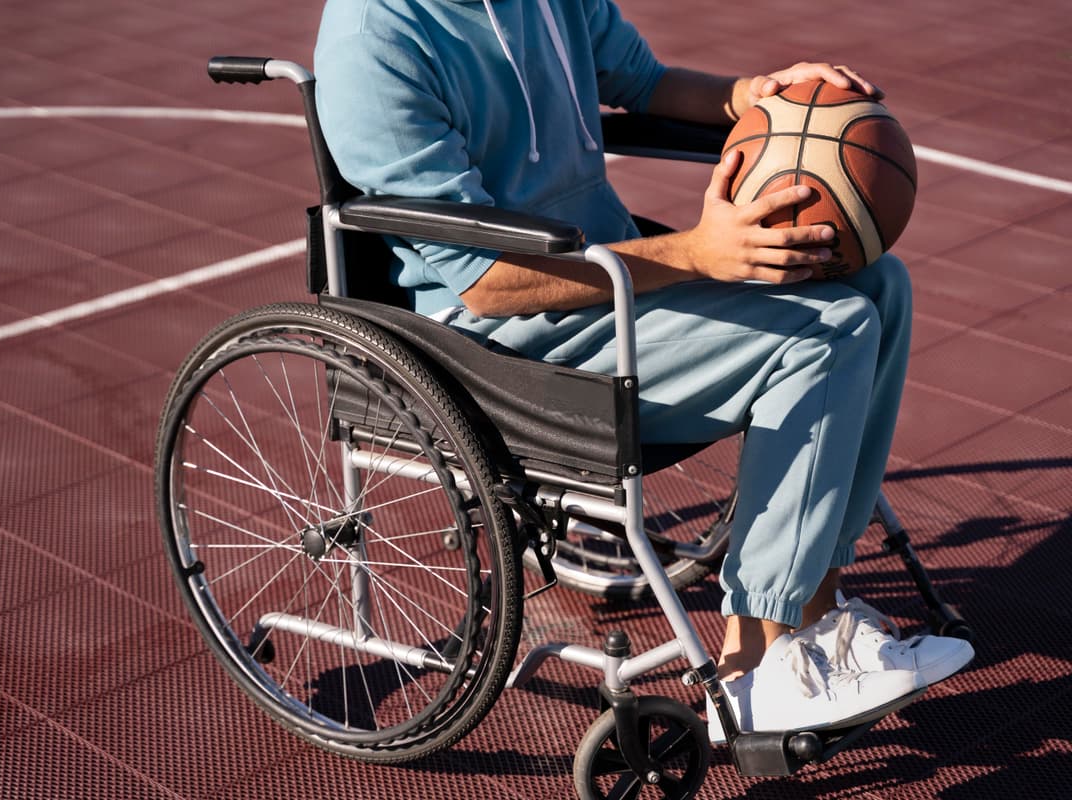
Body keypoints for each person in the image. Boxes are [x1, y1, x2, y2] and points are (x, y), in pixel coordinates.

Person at [313, 0, 973, 740]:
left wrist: (761, 96)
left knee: (880, 287)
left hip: (614, 280)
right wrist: (697, 252)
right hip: (501, 336)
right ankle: (755, 667)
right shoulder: (377, 37)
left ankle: (817, 609)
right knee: (824, 337)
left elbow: (641, 80)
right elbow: (485, 281)